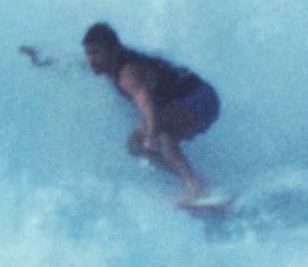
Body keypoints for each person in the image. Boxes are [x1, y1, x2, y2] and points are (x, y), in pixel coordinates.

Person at [78, 22, 219, 206]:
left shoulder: (128, 73)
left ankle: (195, 185)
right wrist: (44, 61)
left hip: (201, 99)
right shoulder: (106, 64)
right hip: (187, 102)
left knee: (158, 132)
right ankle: (197, 182)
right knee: (136, 144)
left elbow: (146, 105)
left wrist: (152, 134)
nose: (91, 60)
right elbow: (75, 65)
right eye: (88, 53)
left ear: (112, 51)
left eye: (96, 53)